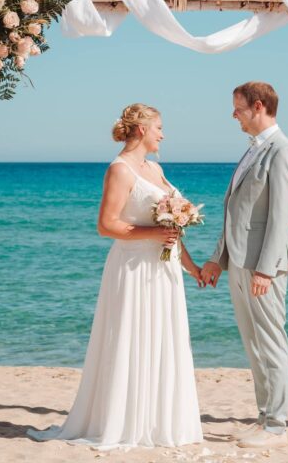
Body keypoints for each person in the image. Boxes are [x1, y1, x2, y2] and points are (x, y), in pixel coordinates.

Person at [28, 103, 203, 449]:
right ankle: (124, 422)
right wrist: (152, 235)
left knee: (163, 340)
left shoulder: (155, 167)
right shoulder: (120, 170)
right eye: (159, 128)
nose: (163, 135)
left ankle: (158, 422)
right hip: (134, 269)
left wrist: (192, 267)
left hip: (164, 271)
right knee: (132, 339)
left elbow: (172, 230)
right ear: (141, 130)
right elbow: (106, 225)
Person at [201, 82, 288, 449]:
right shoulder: (252, 151)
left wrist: (265, 269)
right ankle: (263, 417)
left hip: (263, 267)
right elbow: (235, 214)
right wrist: (216, 259)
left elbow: (280, 219)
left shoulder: (283, 152)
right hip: (239, 263)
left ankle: (277, 425)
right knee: (253, 344)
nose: (234, 115)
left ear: (258, 107)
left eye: (238, 108)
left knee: (271, 342)